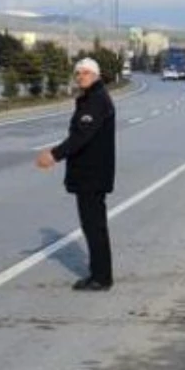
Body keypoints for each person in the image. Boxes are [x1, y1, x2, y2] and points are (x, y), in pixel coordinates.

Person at [36, 57, 116, 291]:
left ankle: (101, 277)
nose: (81, 76)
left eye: (86, 73)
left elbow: (82, 135)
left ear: (96, 75)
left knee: (94, 226)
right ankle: (99, 273)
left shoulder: (97, 100)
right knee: (93, 225)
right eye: (78, 73)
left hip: (92, 174)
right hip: (90, 173)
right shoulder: (92, 98)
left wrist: (54, 155)